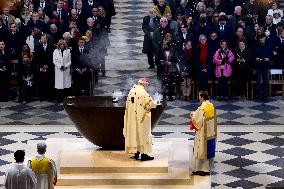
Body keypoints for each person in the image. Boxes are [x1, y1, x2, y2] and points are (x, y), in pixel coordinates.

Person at [124, 78, 158, 161]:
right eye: (146, 85)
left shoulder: (131, 91)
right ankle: (144, 155)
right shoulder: (143, 93)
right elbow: (149, 105)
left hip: (132, 118)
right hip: (141, 118)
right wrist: (156, 102)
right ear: (143, 84)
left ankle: (136, 153)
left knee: (134, 135)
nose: (147, 86)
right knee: (143, 135)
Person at [190, 91, 217, 176]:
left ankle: (201, 170)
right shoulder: (211, 106)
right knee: (207, 149)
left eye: (199, 96)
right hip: (210, 131)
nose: (198, 97)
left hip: (202, 133)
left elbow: (197, 121)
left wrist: (192, 115)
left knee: (201, 150)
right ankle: (207, 168)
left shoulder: (201, 108)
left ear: (202, 97)